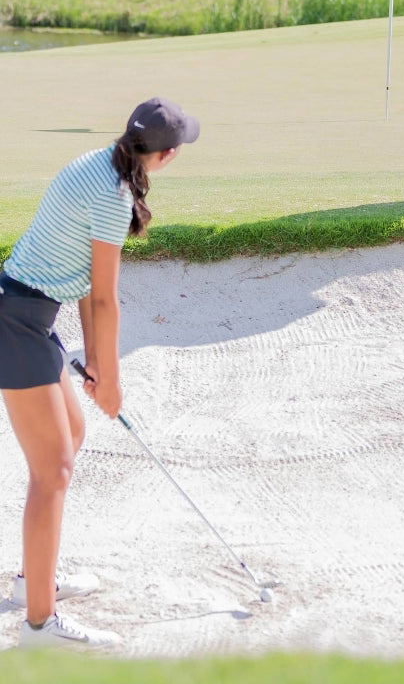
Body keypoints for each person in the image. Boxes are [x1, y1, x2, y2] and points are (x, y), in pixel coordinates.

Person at [0, 97, 199, 649]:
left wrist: (94, 363)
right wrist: (109, 380)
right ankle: (39, 625)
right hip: (16, 321)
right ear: (169, 155)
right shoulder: (113, 194)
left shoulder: (98, 163)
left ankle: (30, 585)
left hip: (27, 315)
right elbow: (108, 299)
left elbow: (87, 283)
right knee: (53, 471)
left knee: (72, 436)